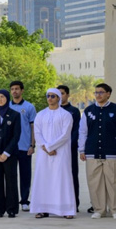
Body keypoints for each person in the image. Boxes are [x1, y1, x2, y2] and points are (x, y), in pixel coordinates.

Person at [78, 83, 116, 220]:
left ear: (108, 94)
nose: (98, 95)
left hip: (113, 152)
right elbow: (82, 132)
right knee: (95, 182)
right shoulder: (88, 111)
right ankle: (99, 209)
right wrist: (81, 149)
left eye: (101, 92)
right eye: (96, 93)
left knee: (115, 182)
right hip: (92, 152)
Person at [30, 88, 76, 219]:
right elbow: (37, 133)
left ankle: (66, 210)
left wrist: (51, 147)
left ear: (58, 98)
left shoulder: (66, 115)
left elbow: (65, 135)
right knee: (44, 179)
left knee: (61, 179)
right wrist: (46, 148)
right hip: (44, 154)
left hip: (60, 153)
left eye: (53, 96)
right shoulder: (40, 114)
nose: (50, 98)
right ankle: (42, 209)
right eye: (48, 96)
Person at [0, 89, 21, 218]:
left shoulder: (15, 115)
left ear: (7, 98)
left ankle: (12, 209)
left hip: (10, 154)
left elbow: (16, 135)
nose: (0, 99)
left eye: (2, 97)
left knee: (11, 181)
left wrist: (6, 152)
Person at [8, 80, 36, 212]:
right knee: (11, 176)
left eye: (17, 89)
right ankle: (11, 200)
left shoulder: (29, 107)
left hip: (25, 147)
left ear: (22, 90)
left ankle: (24, 200)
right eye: (12, 89)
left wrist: (32, 145)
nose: (14, 91)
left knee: (25, 175)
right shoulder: (7, 106)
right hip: (10, 148)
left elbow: (32, 127)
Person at [58, 84, 82, 210]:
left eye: (62, 93)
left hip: (69, 150)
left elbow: (76, 131)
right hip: (55, 151)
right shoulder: (52, 111)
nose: (60, 96)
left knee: (72, 175)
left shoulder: (74, 111)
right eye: (58, 93)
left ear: (67, 95)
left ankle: (73, 204)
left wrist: (67, 145)